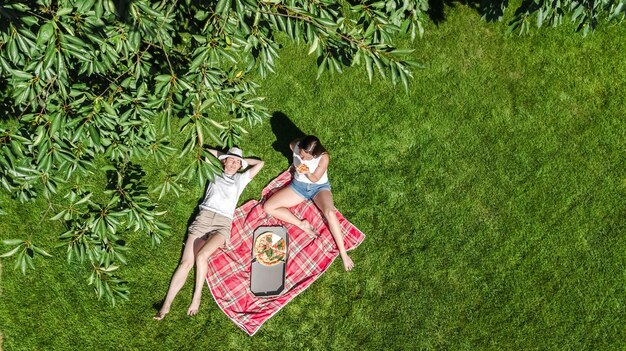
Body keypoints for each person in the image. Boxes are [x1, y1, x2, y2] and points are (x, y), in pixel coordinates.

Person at [154, 147, 264, 320]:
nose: (235, 164)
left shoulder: (240, 179)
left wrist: (242, 160)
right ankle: (166, 304)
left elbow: (260, 164)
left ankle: (196, 297)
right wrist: (225, 156)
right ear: (224, 161)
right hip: (203, 218)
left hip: (223, 224)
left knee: (202, 256)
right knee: (185, 263)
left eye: (238, 163)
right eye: (232, 160)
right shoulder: (213, 171)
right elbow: (205, 152)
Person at [263, 135, 354, 271]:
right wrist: (299, 165)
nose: (302, 158)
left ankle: (343, 252)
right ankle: (301, 224)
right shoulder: (296, 145)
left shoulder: (323, 157)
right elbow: (292, 144)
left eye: (306, 156)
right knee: (268, 207)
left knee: (329, 212)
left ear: (315, 154)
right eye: (301, 154)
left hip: (319, 187)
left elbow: (315, 178)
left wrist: (306, 172)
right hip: (298, 187)